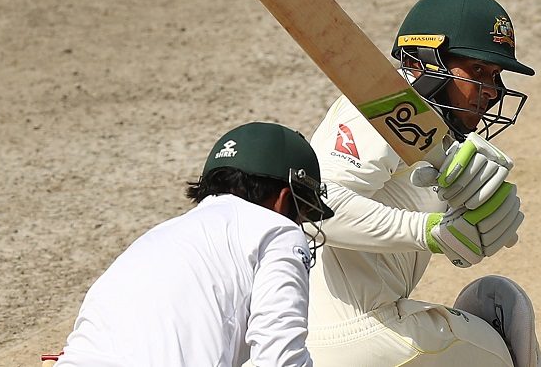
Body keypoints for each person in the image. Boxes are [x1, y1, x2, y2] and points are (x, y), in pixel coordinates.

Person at [304, 0, 541, 366]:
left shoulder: (438, 142)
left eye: (495, 76)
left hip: (315, 342)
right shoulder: (381, 107)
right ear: (428, 59)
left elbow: (460, 252)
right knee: (500, 322)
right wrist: (428, 231)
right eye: (478, 71)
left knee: (483, 297)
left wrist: (473, 224)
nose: (491, 92)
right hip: (352, 333)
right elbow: (315, 208)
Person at [54, 122, 334, 367]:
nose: (298, 226)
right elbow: (281, 360)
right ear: (283, 199)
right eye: (302, 213)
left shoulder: (156, 238)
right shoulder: (277, 230)